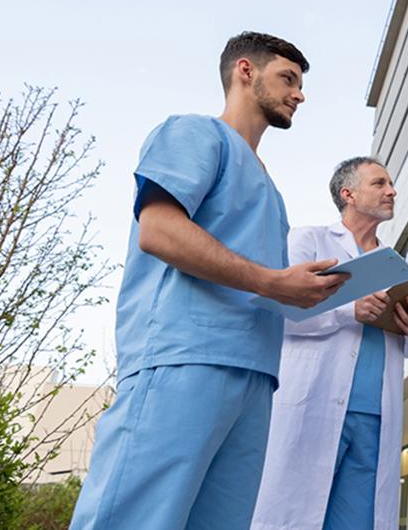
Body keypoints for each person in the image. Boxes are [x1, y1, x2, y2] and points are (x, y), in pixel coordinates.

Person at [70, 32, 349, 529]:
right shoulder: (195, 134)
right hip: (185, 357)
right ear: (246, 71)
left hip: (256, 374)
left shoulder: (270, 187)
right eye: (288, 78)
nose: (299, 93)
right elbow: (157, 230)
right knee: (134, 518)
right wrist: (270, 281)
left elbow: (264, 282)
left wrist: (300, 289)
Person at [252, 157, 408, 529]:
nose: (391, 191)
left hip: (376, 415)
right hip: (316, 403)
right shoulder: (309, 241)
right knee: (292, 516)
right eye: (380, 183)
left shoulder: (395, 266)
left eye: (391, 184)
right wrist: (347, 310)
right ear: (349, 194)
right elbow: (278, 313)